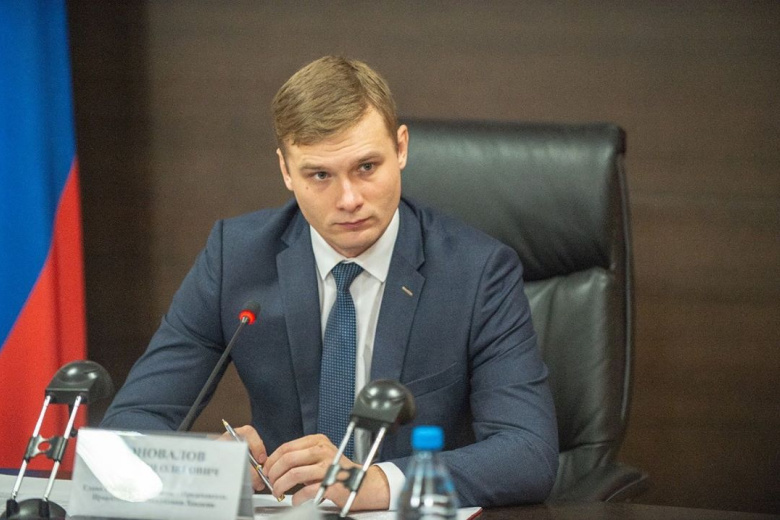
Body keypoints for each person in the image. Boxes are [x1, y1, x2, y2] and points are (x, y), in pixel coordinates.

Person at [101, 56, 559, 510]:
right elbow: (125, 432)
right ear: (286, 171)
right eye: (320, 175)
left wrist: (370, 483)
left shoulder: (477, 272)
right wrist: (203, 465)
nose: (349, 199)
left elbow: (528, 452)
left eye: (366, 167)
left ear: (401, 148)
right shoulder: (235, 259)